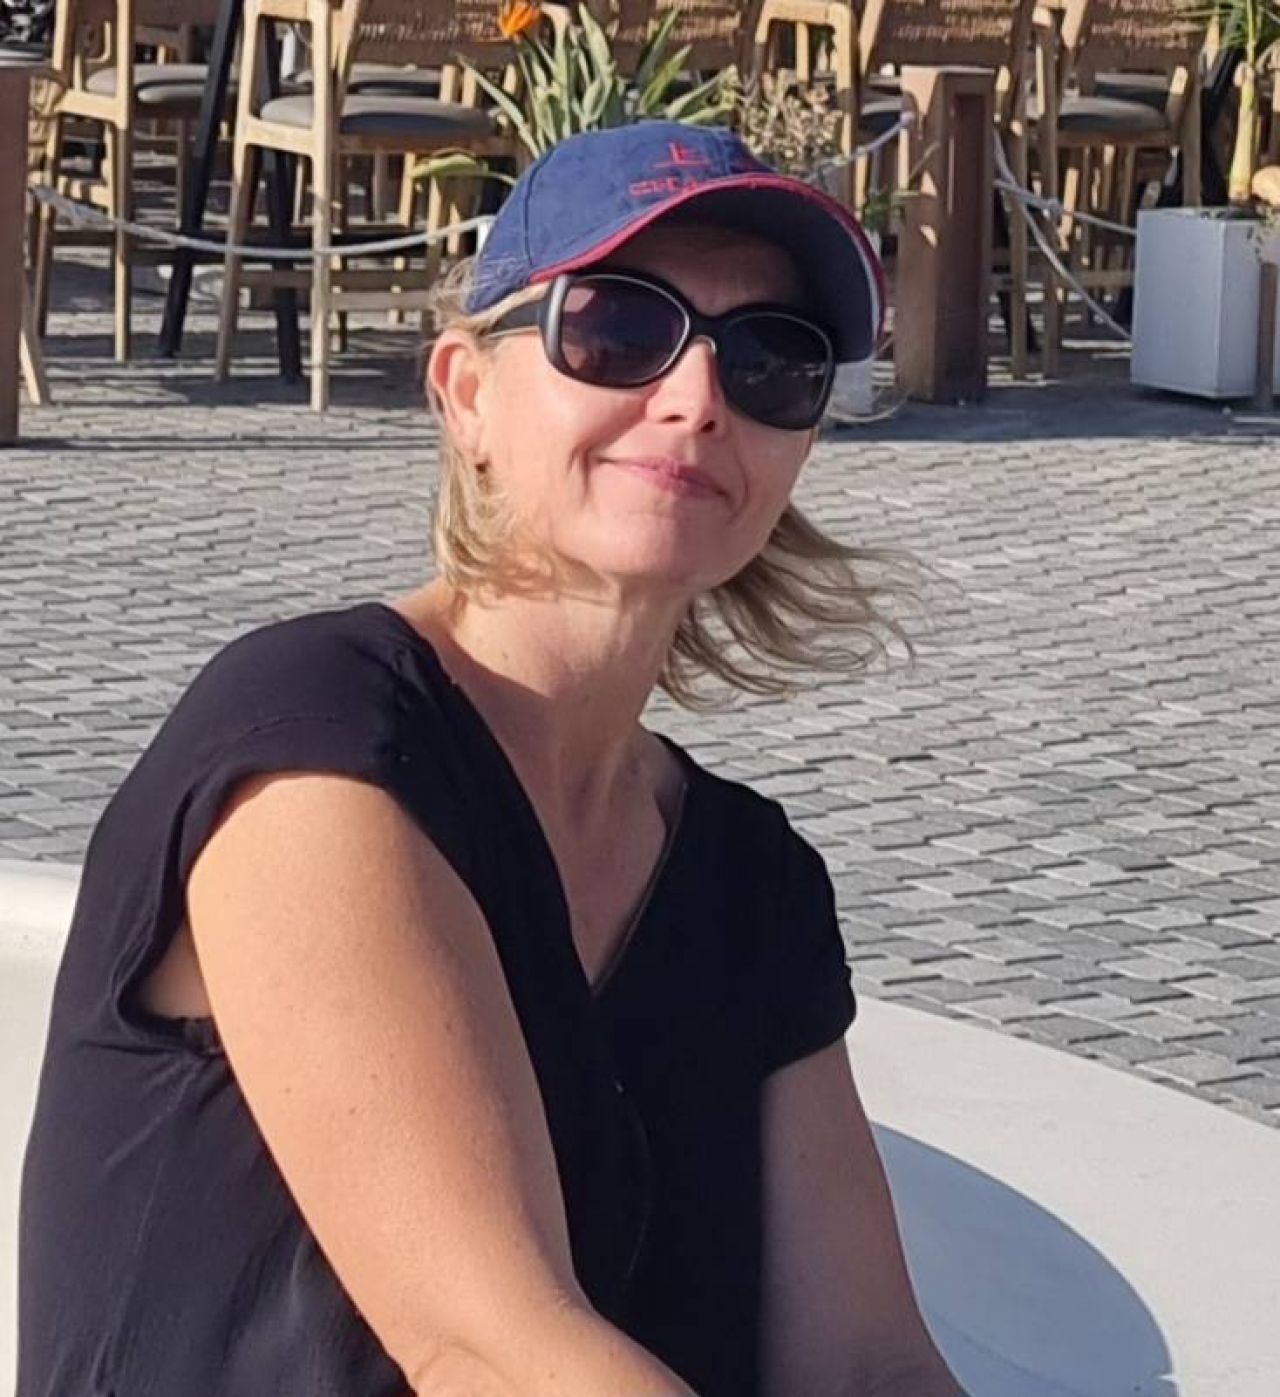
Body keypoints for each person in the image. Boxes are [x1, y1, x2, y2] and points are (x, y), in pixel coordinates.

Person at [17, 121, 967, 1397]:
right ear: (465, 393)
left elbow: (865, 1362)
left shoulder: (750, 882)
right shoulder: (319, 744)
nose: (696, 398)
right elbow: (488, 1350)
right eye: (617, 329)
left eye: (770, 361)